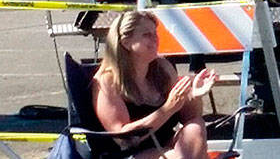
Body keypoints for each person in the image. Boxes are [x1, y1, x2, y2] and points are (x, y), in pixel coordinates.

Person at [92, 10, 216, 159]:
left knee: (196, 127)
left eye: (155, 33)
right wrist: (167, 109)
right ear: (126, 43)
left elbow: (190, 117)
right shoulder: (107, 82)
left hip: (165, 145)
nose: (155, 39)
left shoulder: (162, 68)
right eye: (146, 35)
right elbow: (124, 139)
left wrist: (193, 95)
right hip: (128, 153)